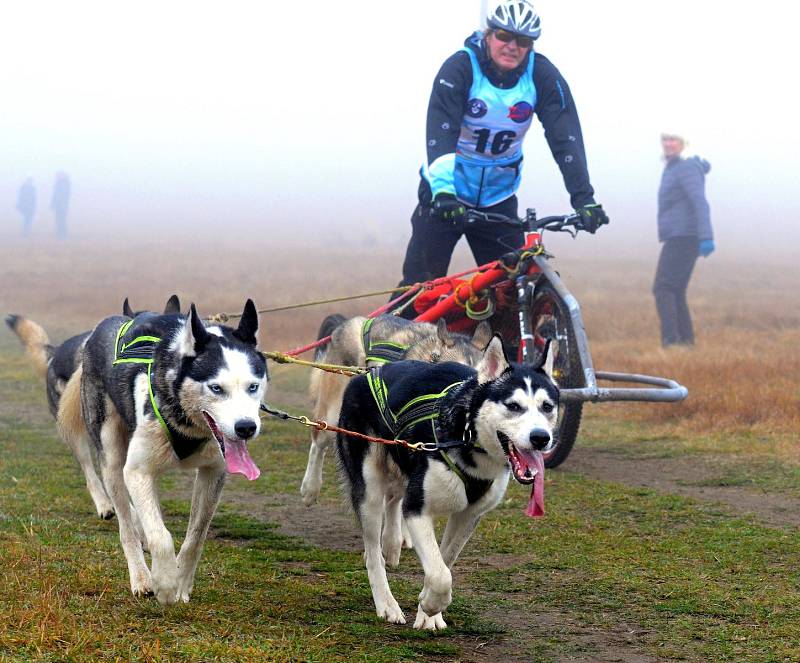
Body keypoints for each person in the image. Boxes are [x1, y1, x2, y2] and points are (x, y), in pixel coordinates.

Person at [397, 0, 608, 291]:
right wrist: (444, 192)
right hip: (445, 196)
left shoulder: (543, 76)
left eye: (523, 41)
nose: (512, 46)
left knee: (513, 292)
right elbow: (441, 132)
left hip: (498, 200)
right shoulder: (459, 67)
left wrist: (584, 198)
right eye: (504, 36)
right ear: (488, 35)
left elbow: (565, 138)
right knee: (418, 293)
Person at [653, 132, 714, 347]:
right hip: (682, 235)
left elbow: (699, 201)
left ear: (684, 143)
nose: (668, 144)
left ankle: (671, 343)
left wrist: (706, 236)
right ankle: (686, 343)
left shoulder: (685, 167)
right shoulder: (675, 167)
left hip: (684, 236)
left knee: (663, 288)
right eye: (665, 139)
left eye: (674, 139)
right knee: (675, 289)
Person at [51, 171, 71, 239]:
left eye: (58, 175)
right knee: (58, 219)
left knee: (61, 220)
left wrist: (57, 203)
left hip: (62, 205)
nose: (57, 177)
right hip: (59, 205)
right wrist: (53, 203)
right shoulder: (59, 183)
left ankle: (63, 234)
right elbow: (55, 194)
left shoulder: (64, 184)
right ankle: (60, 233)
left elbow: (63, 195)